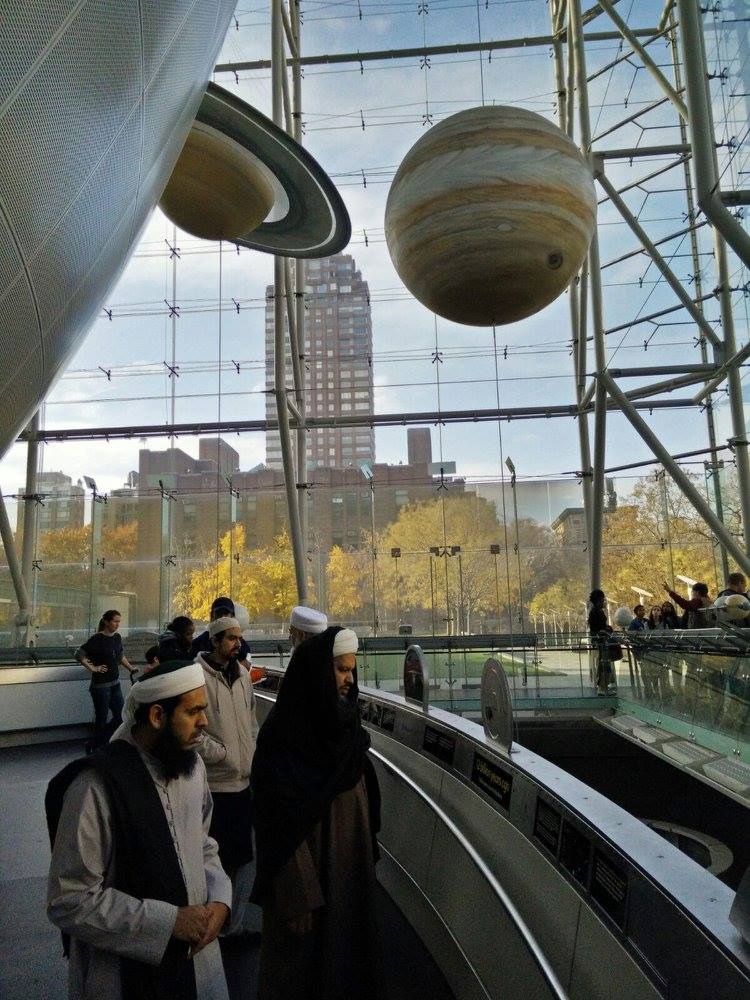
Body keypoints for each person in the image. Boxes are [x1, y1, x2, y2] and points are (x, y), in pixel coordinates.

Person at [46, 660, 232, 1000]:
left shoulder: (193, 768)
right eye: (193, 712)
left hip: (197, 960)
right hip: (122, 973)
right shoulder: (95, 786)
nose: (204, 723)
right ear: (157, 716)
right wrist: (168, 922)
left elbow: (203, 844)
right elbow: (69, 899)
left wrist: (220, 901)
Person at [251, 626, 381, 1000]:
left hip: (347, 871)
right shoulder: (283, 737)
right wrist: (297, 894)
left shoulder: (345, 727)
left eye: (352, 670)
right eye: (341, 670)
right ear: (318, 673)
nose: (349, 680)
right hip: (308, 887)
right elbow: (277, 819)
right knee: (302, 973)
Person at [194, 616, 259, 939]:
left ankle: (231, 925)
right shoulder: (197, 677)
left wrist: (251, 752)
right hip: (216, 784)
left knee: (244, 858)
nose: (238, 644)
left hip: (243, 783)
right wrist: (220, 754)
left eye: (239, 638)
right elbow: (193, 728)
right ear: (215, 641)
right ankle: (215, 925)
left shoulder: (243, 675)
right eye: (231, 638)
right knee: (215, 859)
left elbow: (251, 719)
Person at [76, 610, 137, 751]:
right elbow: (79, 654)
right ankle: (97, 746)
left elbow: (120, 656)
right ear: (106, 622)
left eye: (119, 622)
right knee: (101, 718)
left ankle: (98, 742)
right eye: (115, 621)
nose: (117, 624)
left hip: (115, 683)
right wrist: (93, 668)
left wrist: (130, 668)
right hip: (101, 686)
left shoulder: (116, 637)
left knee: (121, 716)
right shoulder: (97, 639)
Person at [193, 597, 252, 670]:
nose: (222, 617)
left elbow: (245, 669)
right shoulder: (197, 644)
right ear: (211, 617)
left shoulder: (242, 646)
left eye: (226, 614)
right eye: (219, 614)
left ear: (233, 617)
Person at [587, 590, 615, 695]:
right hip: (600, 642)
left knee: (604, 664)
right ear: (598, 600)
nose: (604, 601)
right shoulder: (594, 612)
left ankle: (604, 686)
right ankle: (602, 687)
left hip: (603, 641)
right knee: (602, 664)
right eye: (602, 599)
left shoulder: (598, 611)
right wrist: (603, 630)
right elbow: (594, 629)